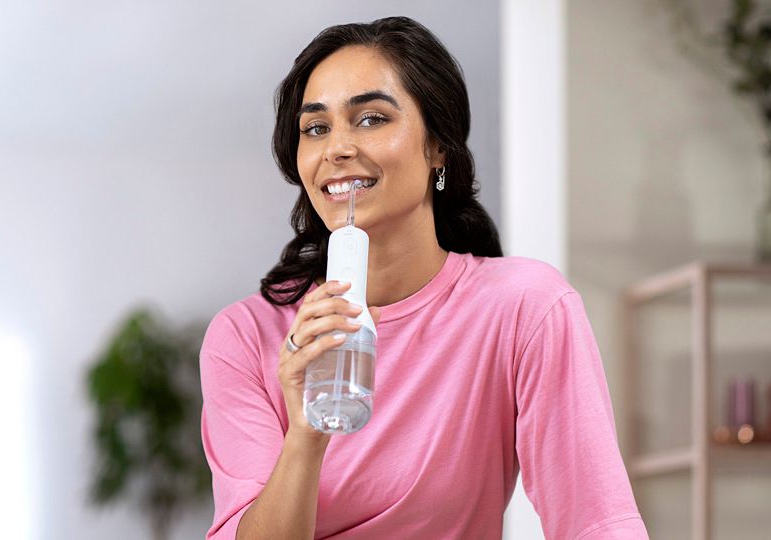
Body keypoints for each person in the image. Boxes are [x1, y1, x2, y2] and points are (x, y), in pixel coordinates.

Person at [199, 16, 648, 539]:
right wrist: (305, 433)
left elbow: (595, 521)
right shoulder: (245, 337)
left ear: (437, 145)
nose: (337, 148)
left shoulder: (525, 308)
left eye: (370, 119)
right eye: (316, 128)